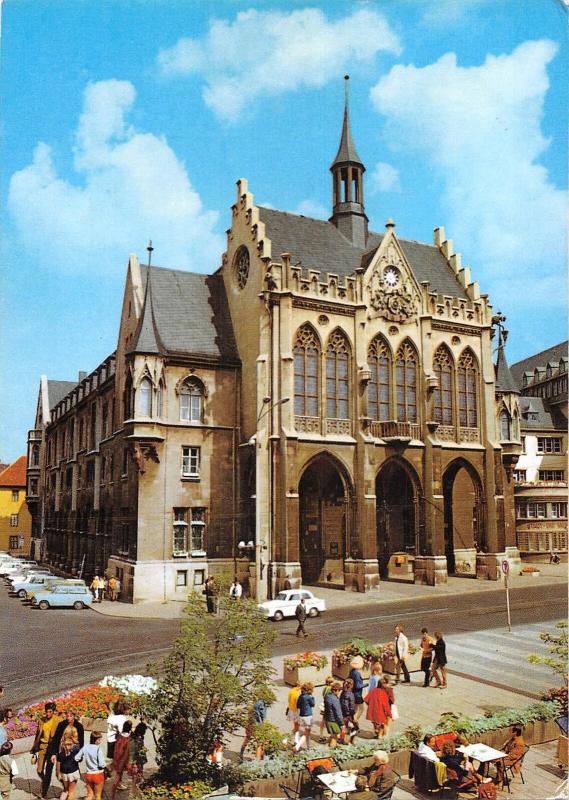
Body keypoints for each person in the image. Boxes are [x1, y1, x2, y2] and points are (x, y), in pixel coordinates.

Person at [46, 711, 84, 800]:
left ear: (74, 716)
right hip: (72, 766)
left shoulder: (78, 727)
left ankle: (65, 791)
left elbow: (81, 742)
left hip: (64, 764)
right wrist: (53, 754)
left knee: (66, 788)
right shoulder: (62, 725)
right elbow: (55, 739)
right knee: (71, 791)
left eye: (70, 716)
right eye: (67, 716)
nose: (68, 718)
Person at [30, 702, 62, 793]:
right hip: (42, 747)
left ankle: (44, 790)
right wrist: (34, 748)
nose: (48, 714)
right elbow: (38, 735)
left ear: (54, 711)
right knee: (39, 770)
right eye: (47, 712)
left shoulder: (58, 720)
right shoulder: (41, 720)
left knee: (49, 770)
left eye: (50, 712)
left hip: (52, 749)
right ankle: (45, 782)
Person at [76, 732, 106, 800]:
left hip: (89, 775)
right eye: (100, 739)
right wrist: (105, 765)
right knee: (98, 796)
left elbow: (76, 758)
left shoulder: (85, 747)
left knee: (89, 795)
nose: (100, 741)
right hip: (98, 774)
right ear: (96, 740)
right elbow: (101, 764)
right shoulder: (99, 749)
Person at [56, 725, 81, 800]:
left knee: (65, 790)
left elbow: (58, 760)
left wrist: (58, 772)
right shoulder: (76, 746)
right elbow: (79, 759)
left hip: (63, 771)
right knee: (71, 792)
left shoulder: (61, 745)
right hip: (73, 771)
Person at [109, 721, 132, 800]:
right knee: (117, 776)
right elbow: (126, 752)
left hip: (116, 757)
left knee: (119, 774)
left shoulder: (119, 736)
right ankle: (112, 795)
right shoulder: (128, 738)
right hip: (122, 760)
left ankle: (118, 785)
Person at [127, 723, 148, 798]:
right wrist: (132, 763)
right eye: (145, 730)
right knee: (135, 778)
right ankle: (133, 793)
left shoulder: (138, 737)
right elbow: (132, 752)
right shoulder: (134, 739)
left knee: (138, 777)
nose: (145, 732)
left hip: (140, 760)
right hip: (136, 762)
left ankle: (135, 792)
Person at [323, 682, 344, 748]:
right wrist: (342, 724)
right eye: (339, 690)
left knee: (332, 735)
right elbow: (338, 713)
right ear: (335, 690)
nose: (339, 692)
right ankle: (332, 748)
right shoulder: (335, 700)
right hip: (333, 720)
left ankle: (329, 744)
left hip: (327, 719)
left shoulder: (327, 696)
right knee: (335, 737)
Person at [296, 682, 315, 748]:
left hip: (302, 715)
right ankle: (304, 746)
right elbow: (313, 704)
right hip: (308, 716)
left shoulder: (300, 696)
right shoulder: (309, 697)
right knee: (308, 733)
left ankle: (306, 745)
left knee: (306, 731)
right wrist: (312, 697)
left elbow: (298, 706)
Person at [349, 655, 365, 724]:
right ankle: (354, 721)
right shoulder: (357, 674)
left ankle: (352, 721)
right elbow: (358, 686)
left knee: (355, 708)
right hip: (357, 694)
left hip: (353, 692)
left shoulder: (352, 671)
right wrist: (365, 685)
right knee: (361, 709)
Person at [340, 678, 356, 743]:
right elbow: (351, 706)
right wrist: (352, 715)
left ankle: (342, 739)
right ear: (352, 685)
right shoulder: (351, 694)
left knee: (344, 726)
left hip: (342, 713)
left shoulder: (342, 693)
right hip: (348, 714)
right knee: (355, 728)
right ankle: (350, 741)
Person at [318, 676, 334, 741]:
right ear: (330, 683)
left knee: (323, 720)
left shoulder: (325, 688)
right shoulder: (330, 689)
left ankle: (321, 734)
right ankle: (331, 735)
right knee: (329, 720)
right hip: (328, 706)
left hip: (324, 705)